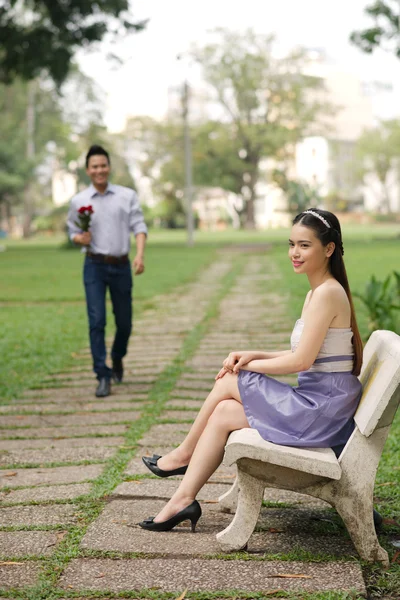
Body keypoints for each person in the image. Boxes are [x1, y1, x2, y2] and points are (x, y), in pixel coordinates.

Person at [138, 208, 363, 533]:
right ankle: (182, 499)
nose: (294, 253)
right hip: (317, 405)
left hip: (320, 413)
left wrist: (246, 366)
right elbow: (305, 354)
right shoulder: (317, 291)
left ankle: (183, 454)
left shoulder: (328, 293)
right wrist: (253, 354)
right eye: (291, 244)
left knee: (232, 378)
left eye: (304, 245)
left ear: (328, 249)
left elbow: (300, 363)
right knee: (225, 412)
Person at [67, 145, 148, 398]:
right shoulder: (79, 201)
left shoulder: (126, 196)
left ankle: (117, 356)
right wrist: (79, 238)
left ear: (109, 167)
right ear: (88, 170)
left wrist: (140, 254)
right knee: (97, 321)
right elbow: (72, 232)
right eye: (94, 166)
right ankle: (102, 374)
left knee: (124, 323)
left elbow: (139, 226)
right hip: (94, 265)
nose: (99, 170)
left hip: (122, 265)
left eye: (103, 165)